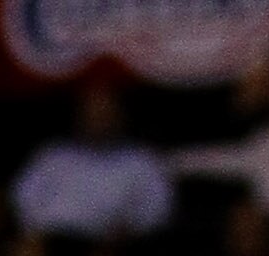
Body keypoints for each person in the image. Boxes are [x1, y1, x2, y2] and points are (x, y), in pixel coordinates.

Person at [12, 77, 175, 243]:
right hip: (53, 241)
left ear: (118, 114)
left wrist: (133, 226)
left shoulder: (141, 160)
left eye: (104, 110)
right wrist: (37, 231)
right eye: (91, 110)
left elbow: (159, 209)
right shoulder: (52, 156)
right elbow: (23, 199)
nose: (97, 118)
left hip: (111, 245)